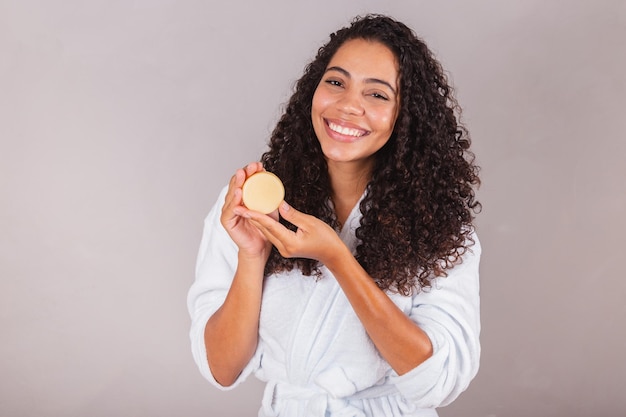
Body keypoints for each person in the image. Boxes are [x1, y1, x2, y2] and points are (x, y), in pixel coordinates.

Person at [188, 14, 482, 417]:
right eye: (336, 82)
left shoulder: (441, 226)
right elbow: (222, 368)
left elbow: (436, 380)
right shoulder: (251, 205)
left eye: (377, 95)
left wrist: (337, 257)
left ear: (406, 116)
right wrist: (252, 256)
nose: (348, 106)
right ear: (314, 88)